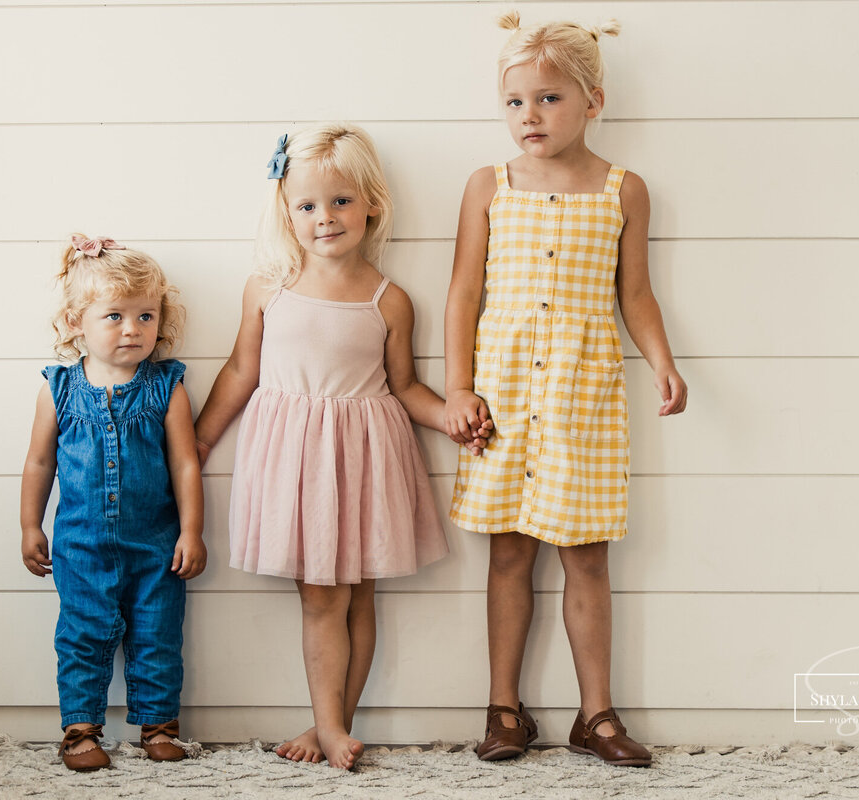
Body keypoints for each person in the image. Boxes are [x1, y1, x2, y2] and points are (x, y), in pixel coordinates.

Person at [195, 124, 490, 770]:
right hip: (296, 465)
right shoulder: (267, 287)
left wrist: (452, 419)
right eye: (307, 206)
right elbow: (241, 373)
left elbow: (405, 386)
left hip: (364, 462)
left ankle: (333, 724)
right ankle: (330, 725)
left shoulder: (390, 300)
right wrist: (196, 443)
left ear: (371, 204)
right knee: (322, 596)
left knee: (359, 595)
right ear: (287, 212)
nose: (324, 218)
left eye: (340, 202)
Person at [444, 13, 688, 767]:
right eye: (515, 102)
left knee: (586, 554)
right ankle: (505, 709)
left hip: (583, 396)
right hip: (504, 393)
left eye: (548, 99)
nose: (529, 117)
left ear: (592, 100)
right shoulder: (490, 185)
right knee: (508, 552)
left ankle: (597, 715)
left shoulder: (624, 190)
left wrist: (663, 360)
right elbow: (462, 293)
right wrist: (457, 387)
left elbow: (635, 295)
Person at [20, 235, 206, 771]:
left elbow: (185, 464)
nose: (133, 329)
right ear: (77, 321)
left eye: (147, 316)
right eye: (116, 316)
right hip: (80, 546)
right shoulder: (57, 390)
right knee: (82, 634)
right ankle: (80, 730)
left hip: (156, 546)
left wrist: (191, 532)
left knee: (158, 634)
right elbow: (38, 464)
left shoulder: (166, 387)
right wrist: (30, 524)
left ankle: (159, 725)